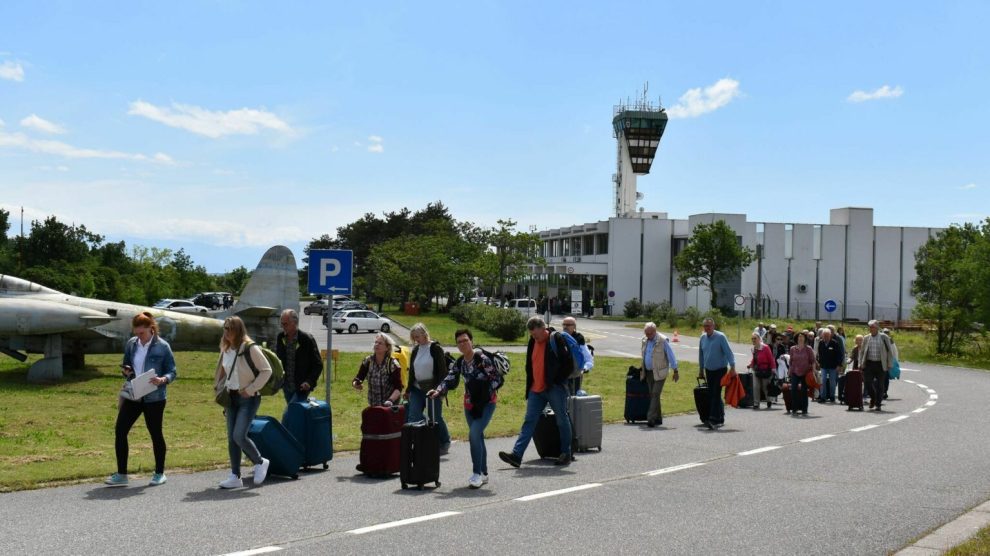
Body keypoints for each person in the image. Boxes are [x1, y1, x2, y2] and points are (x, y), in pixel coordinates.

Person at [105, 312, 177, 487]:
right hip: (134, 394)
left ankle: (159, 473)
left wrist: (163, 380)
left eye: (141, 333)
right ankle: (122, 474)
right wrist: (126, 371)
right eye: (136, 333)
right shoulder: (131, 344)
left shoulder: (163, 346)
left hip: (155, 397)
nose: (138, 336)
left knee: (155, 433)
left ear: (151, 328)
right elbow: (127, 365)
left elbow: (172, 371)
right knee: (120, 430)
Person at [428, 329, 500, 489]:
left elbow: (497, 379)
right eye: (459, 342)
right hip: (469, 404)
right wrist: (438, 390)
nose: (463, 344)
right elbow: (450, 377)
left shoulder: (482, 359)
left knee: (473, 434)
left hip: (487, 403)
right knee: (478, 437)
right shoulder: (460, 362)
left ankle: (476, 474)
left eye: (465, 340)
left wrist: (484, 393)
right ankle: (484, 473)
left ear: (471, 341)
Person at [499, 316, 574, 467]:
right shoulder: (532, 342)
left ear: (543, 328)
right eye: (532, 334)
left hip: (554, 389)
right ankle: (516, 455)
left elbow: (569, 364)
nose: (534, 337)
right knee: (529, 421)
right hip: (536, 389)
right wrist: (529, 387)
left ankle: (566, 453)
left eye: (536, 334)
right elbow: (529, 365)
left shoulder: (556, 338)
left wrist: (556, 381)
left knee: (561, 419)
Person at [214, 316, 272, 489]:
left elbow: (266, 371)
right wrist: (219, 391)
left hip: (248, 398)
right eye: (224, 328)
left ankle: (260, 461)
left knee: (239, 435)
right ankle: (235, 476)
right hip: (231, 398)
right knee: (232, 439)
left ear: (238, 330)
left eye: (229, 329)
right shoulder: (225, 348)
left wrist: (251, 389)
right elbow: (222, 372)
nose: (226, 332)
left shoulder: (250, 348)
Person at [405, 323, 452, 454]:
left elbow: (442, 372)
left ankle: (445, 441)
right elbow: (412, 372)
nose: (415, 339)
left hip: (433, 389)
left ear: (425, 334)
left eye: (417, 336)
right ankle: (420, 443)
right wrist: (408, 389)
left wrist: (439, 390)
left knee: (435, 417)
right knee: (413, 417)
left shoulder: (435, 348)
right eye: (413, 337)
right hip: (416, 389)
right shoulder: (415, 350)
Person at [275, 309, 322, 407]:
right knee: (296, 416)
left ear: (295, 323)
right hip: (287, 386)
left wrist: (309, 382)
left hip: (302, 387)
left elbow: (318, 364)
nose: (282, 326)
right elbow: (278, 359)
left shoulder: (306, 339)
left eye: (285, 324)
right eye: (281, 323)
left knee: (289, 415)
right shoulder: (280, 337)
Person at [697, 317, 735, 430]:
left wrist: (732, 367)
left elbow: (729, 353)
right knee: (714, 394)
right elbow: (701, 355)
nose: (707, 328)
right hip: (709, 370)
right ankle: (720, 417)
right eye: (705, 326)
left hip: (720, 369)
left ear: (713, 326)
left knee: (715, 393)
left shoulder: (720, 337)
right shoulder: (702, 338)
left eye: (709, 326)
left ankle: (713, 419)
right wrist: (701, 369)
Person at [640, 322, 678, 427]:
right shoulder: (644, 340)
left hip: (660, 372)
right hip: (648, 372)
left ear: (655, 331)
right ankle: (658, 418)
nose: (647, 336)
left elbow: (671, 355)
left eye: (649, 334)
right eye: (646, 333)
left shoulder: (662, 340)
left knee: (655, 394)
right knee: (653, 395)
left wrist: (675, 370)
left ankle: (650, 418)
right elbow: (644, 355)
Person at [352, 333, 403, 407]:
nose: (376, 344)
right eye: (376, 342)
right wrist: (356, 384)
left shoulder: (393, 364)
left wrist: (390, 400)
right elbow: (358, 378)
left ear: (387, 347)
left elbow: (398, 388)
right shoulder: (368, 361)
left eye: (380, 343)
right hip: (373, 406)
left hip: (389, 407)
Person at [858, 320, 893, 411]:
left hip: (881, 364)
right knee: (867, 382)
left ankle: (878, 404)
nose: (871, 329)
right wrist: (860, 363)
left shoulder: (884, 337)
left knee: (880, 385)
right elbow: (862, 352)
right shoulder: (866, 338)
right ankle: (873, 398)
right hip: (869, 363)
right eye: (870, 327)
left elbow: (889, 351)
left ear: (877, 328)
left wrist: (889, 363)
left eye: (872, 327)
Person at [788, 331, 815, 416]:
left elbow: (813, 361)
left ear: (805, 339)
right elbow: (791, 361)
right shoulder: (792, 348)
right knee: (793, 390)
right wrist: (789, 371)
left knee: (804, 391)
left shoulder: (808, 348)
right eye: (799, 337)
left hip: (805, 372)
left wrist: (813, 372)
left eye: (802, 337)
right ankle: (794, 409)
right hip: (795, 371)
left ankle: (804, 409)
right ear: (797, 338)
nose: (800, 338)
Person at [747, 331, 776, 409]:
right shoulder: (753, 349)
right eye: (752, 339)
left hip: (766, 370)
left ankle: (769, 400)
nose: (753, 340)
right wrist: (750, 365)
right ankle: (756, 403)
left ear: (759, 339)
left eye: (755, 338)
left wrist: (773, 369)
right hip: (757, 370)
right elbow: (754, 359)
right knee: (756, 386)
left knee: (765, 387)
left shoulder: (765, 347)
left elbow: (771, 358)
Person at [561, 316, 589, 394]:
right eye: (564, 324)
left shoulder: (579, 338)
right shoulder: (559, 336)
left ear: (574, 327)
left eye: (568, 325)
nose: (565, 326)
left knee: (574, 393)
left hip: (575, 372)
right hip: (562, 372)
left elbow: (585, 355)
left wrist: (585, 368)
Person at [816, 328, 844, 403]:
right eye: (824, 336)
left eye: (827, 336)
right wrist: (818, 362)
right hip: (823, 366)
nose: (825, 337)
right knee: (823, 381)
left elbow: (839, 355)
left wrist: (839, 365)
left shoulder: (835, 343)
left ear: (830, 335)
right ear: (822, 336)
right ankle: (823, 397)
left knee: (832, 382)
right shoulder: (821, 343)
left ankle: (832, 396)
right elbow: (819, 354)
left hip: (833, 366)